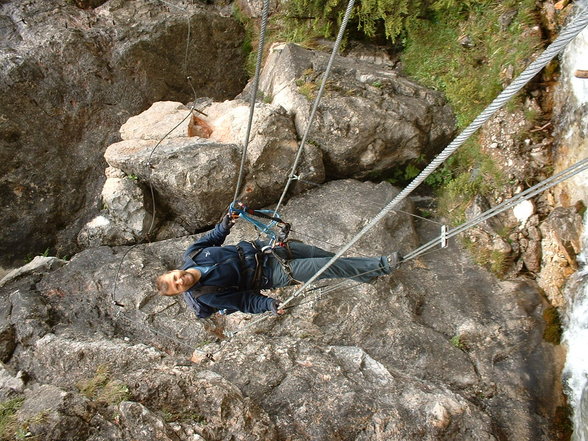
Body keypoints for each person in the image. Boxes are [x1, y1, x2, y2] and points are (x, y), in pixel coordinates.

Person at [155, 213, 402, 318]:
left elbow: (213, 238)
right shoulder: (207, 296)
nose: (180, 280)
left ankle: (365, 275)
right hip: (272, 273)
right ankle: (382, 266)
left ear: (174, 270)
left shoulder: (193, 254)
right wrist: (269, 304)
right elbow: (244, 302)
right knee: (328, 265)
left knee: (323, 255)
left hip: (267, 249)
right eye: (177, 286)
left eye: (175, 277)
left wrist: (226, 223)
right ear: (181, 292)